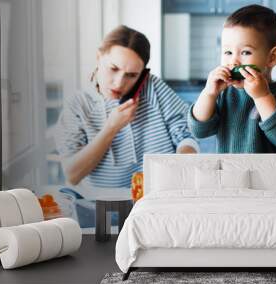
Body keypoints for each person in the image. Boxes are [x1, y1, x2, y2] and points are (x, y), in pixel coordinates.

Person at [55, 25, 199, 189]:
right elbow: (72, 174)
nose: (119, 82)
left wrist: (184, 165)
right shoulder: (77, 106)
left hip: (159, 197)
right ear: (98, 57)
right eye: (113, 69)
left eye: (132, 75)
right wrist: (112, 127)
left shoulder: (152, 87)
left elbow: (186, 135)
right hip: (104, 206)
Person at [188, 4, 276, 153]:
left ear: (272, 57)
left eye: (245, 52)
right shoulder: (224, 94)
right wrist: (209, 94)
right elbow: (199, 131)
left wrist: (262, 96)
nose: (234, 61)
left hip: (269, 176)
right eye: (228, 52)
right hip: (229, 175)